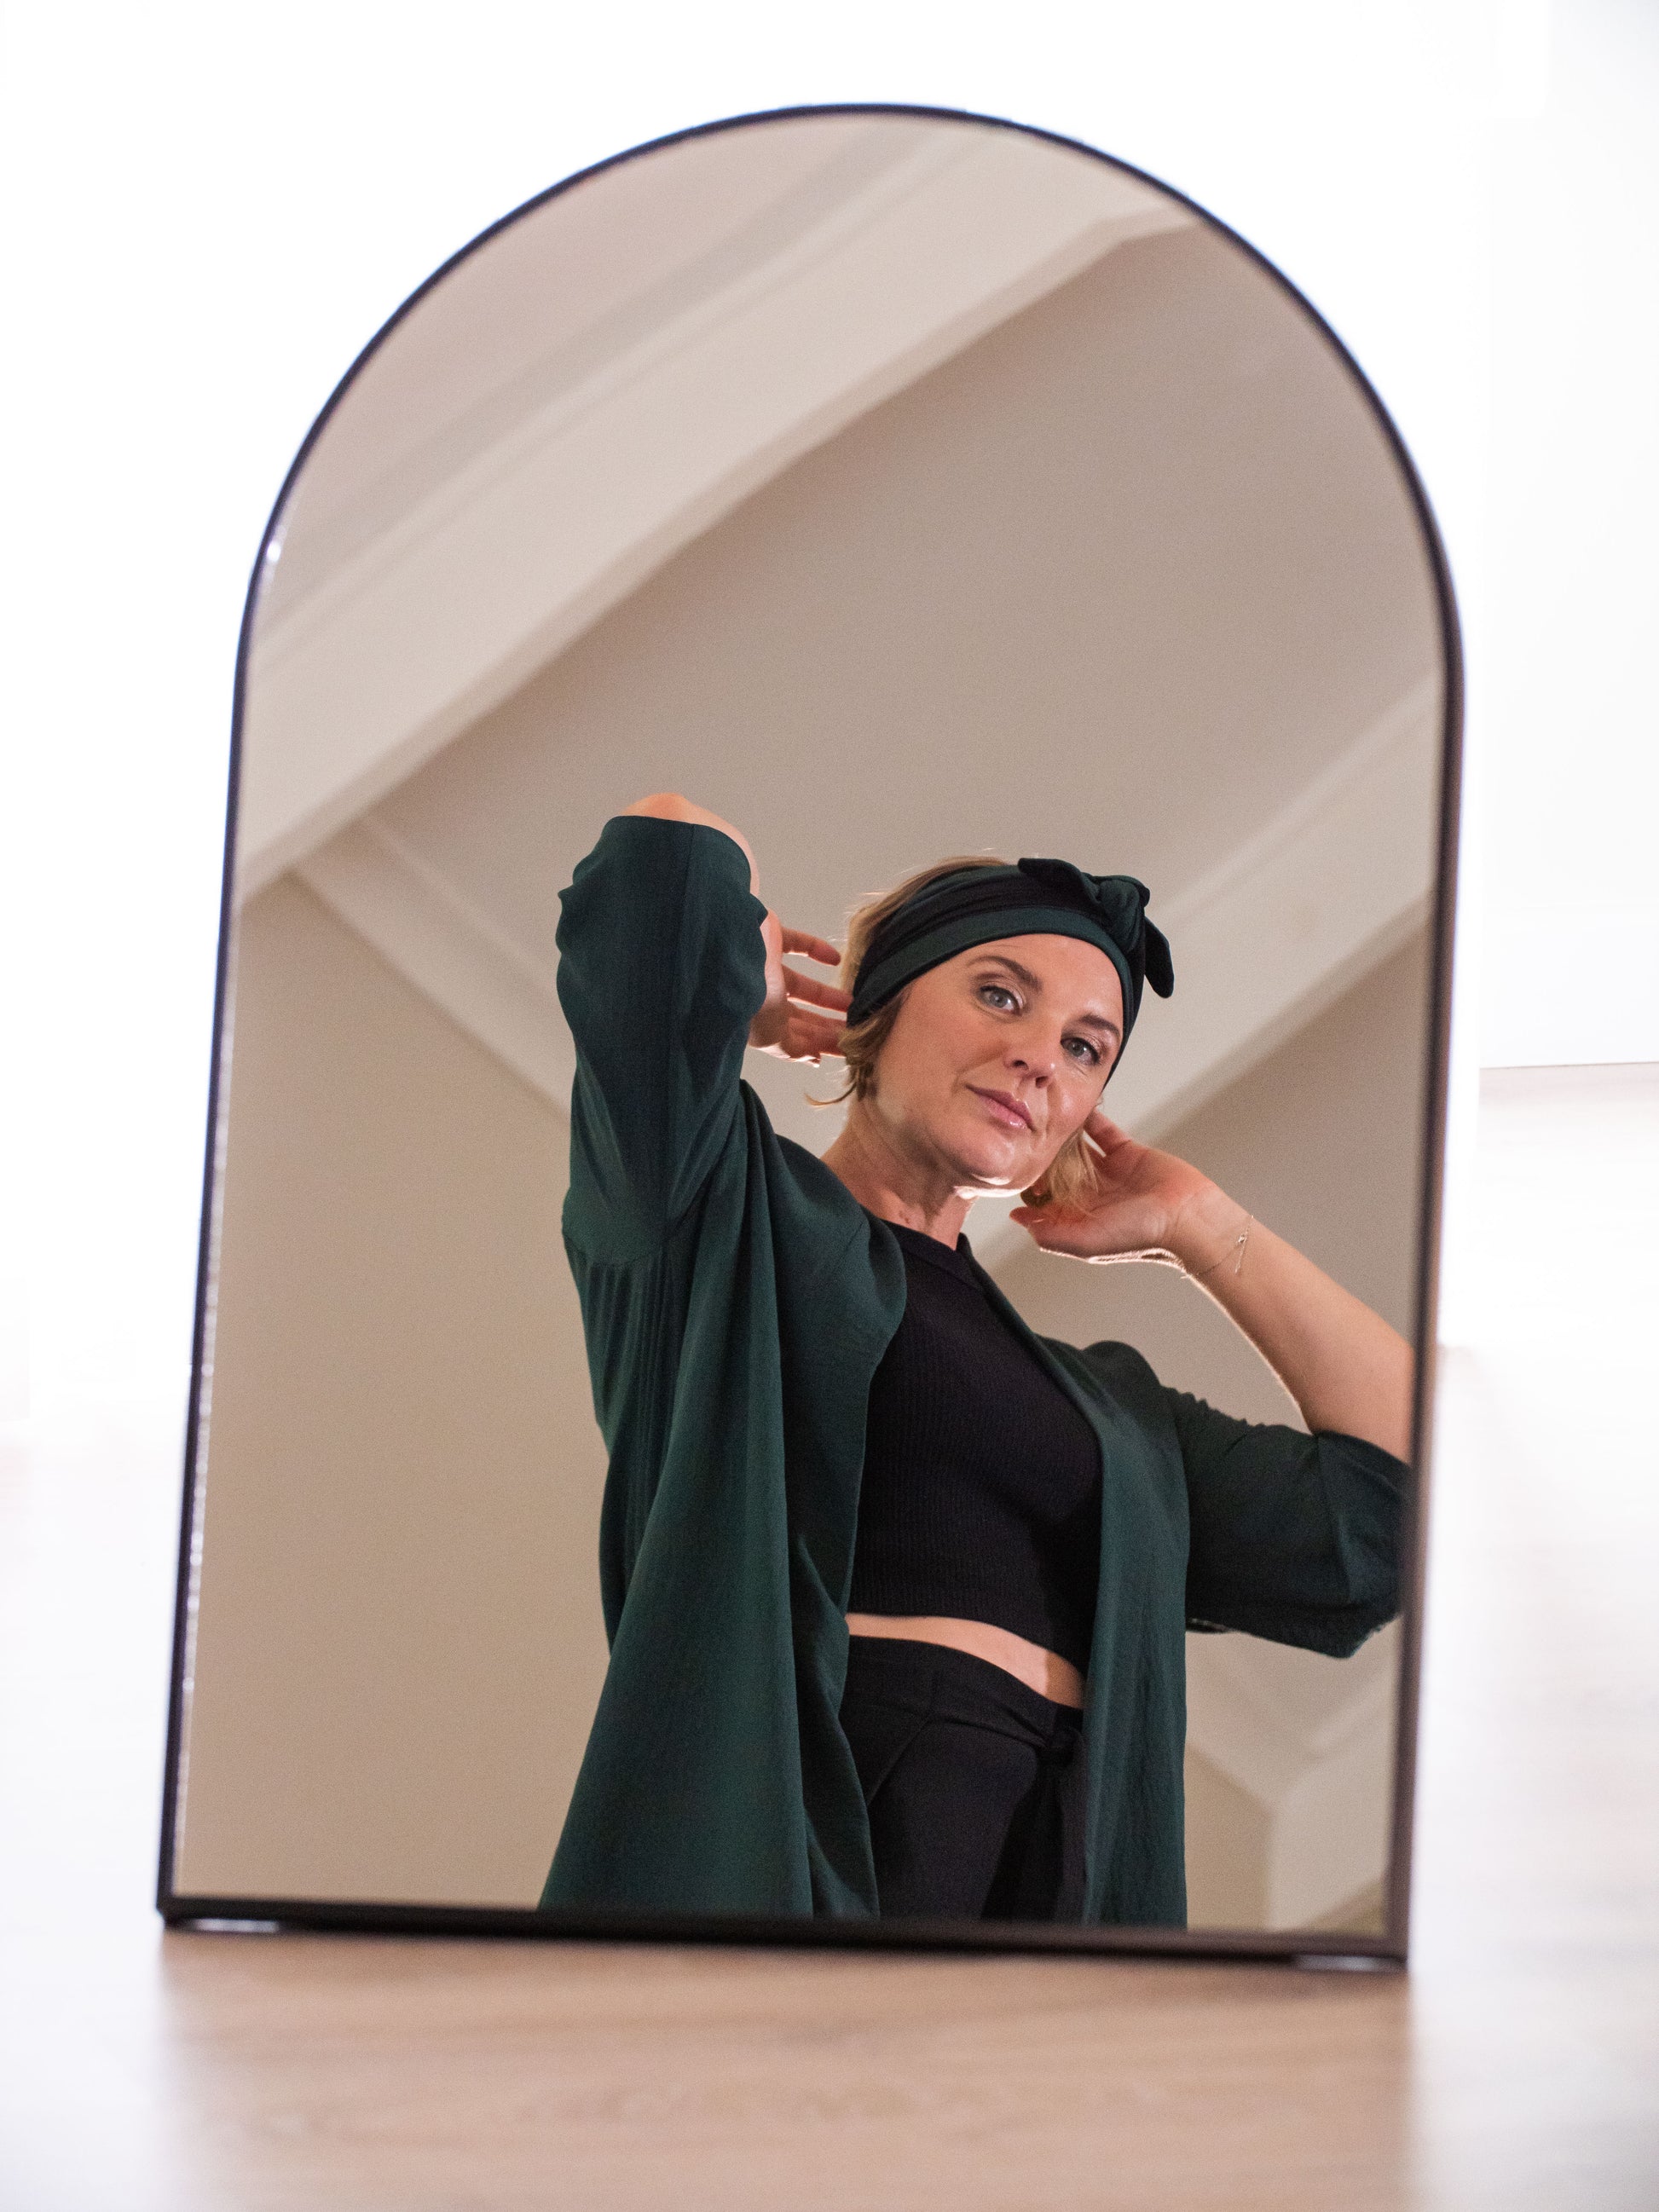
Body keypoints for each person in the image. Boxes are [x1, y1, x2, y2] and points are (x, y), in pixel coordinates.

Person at [538, 794, 1410, 1926]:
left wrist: (1202, 1224)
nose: (1036, 1057)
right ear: (880, 1005)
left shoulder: (1109, 1413)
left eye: (1084, 1048)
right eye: (999, 994)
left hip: (1049, 1889)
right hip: (793, 1846)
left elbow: (1386, 1518)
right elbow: (665, 851)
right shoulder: (724, 1218)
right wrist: (742, 980)